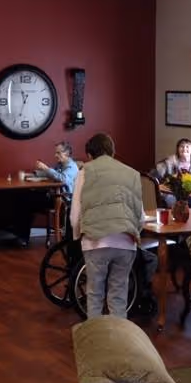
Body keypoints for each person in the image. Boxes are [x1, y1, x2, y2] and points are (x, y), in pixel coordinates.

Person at [70, 133, 145, 319]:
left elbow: (75, 213)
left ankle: (97, 343)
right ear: (112, 151)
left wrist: (77, 234)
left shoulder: (85, 171)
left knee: (95, 295)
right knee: (119, 297)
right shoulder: (131, 172)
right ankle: (118, 342)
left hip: (96, 242)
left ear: (89, 155)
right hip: (126, 243)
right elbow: (141, 216)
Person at [150, 138, 191, 208]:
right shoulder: (170, 162)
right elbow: (153, 174)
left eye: (187, 147)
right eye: (182, 146)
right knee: (170, 200)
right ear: (178, 150)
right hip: (173, 193)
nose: (184, 149)